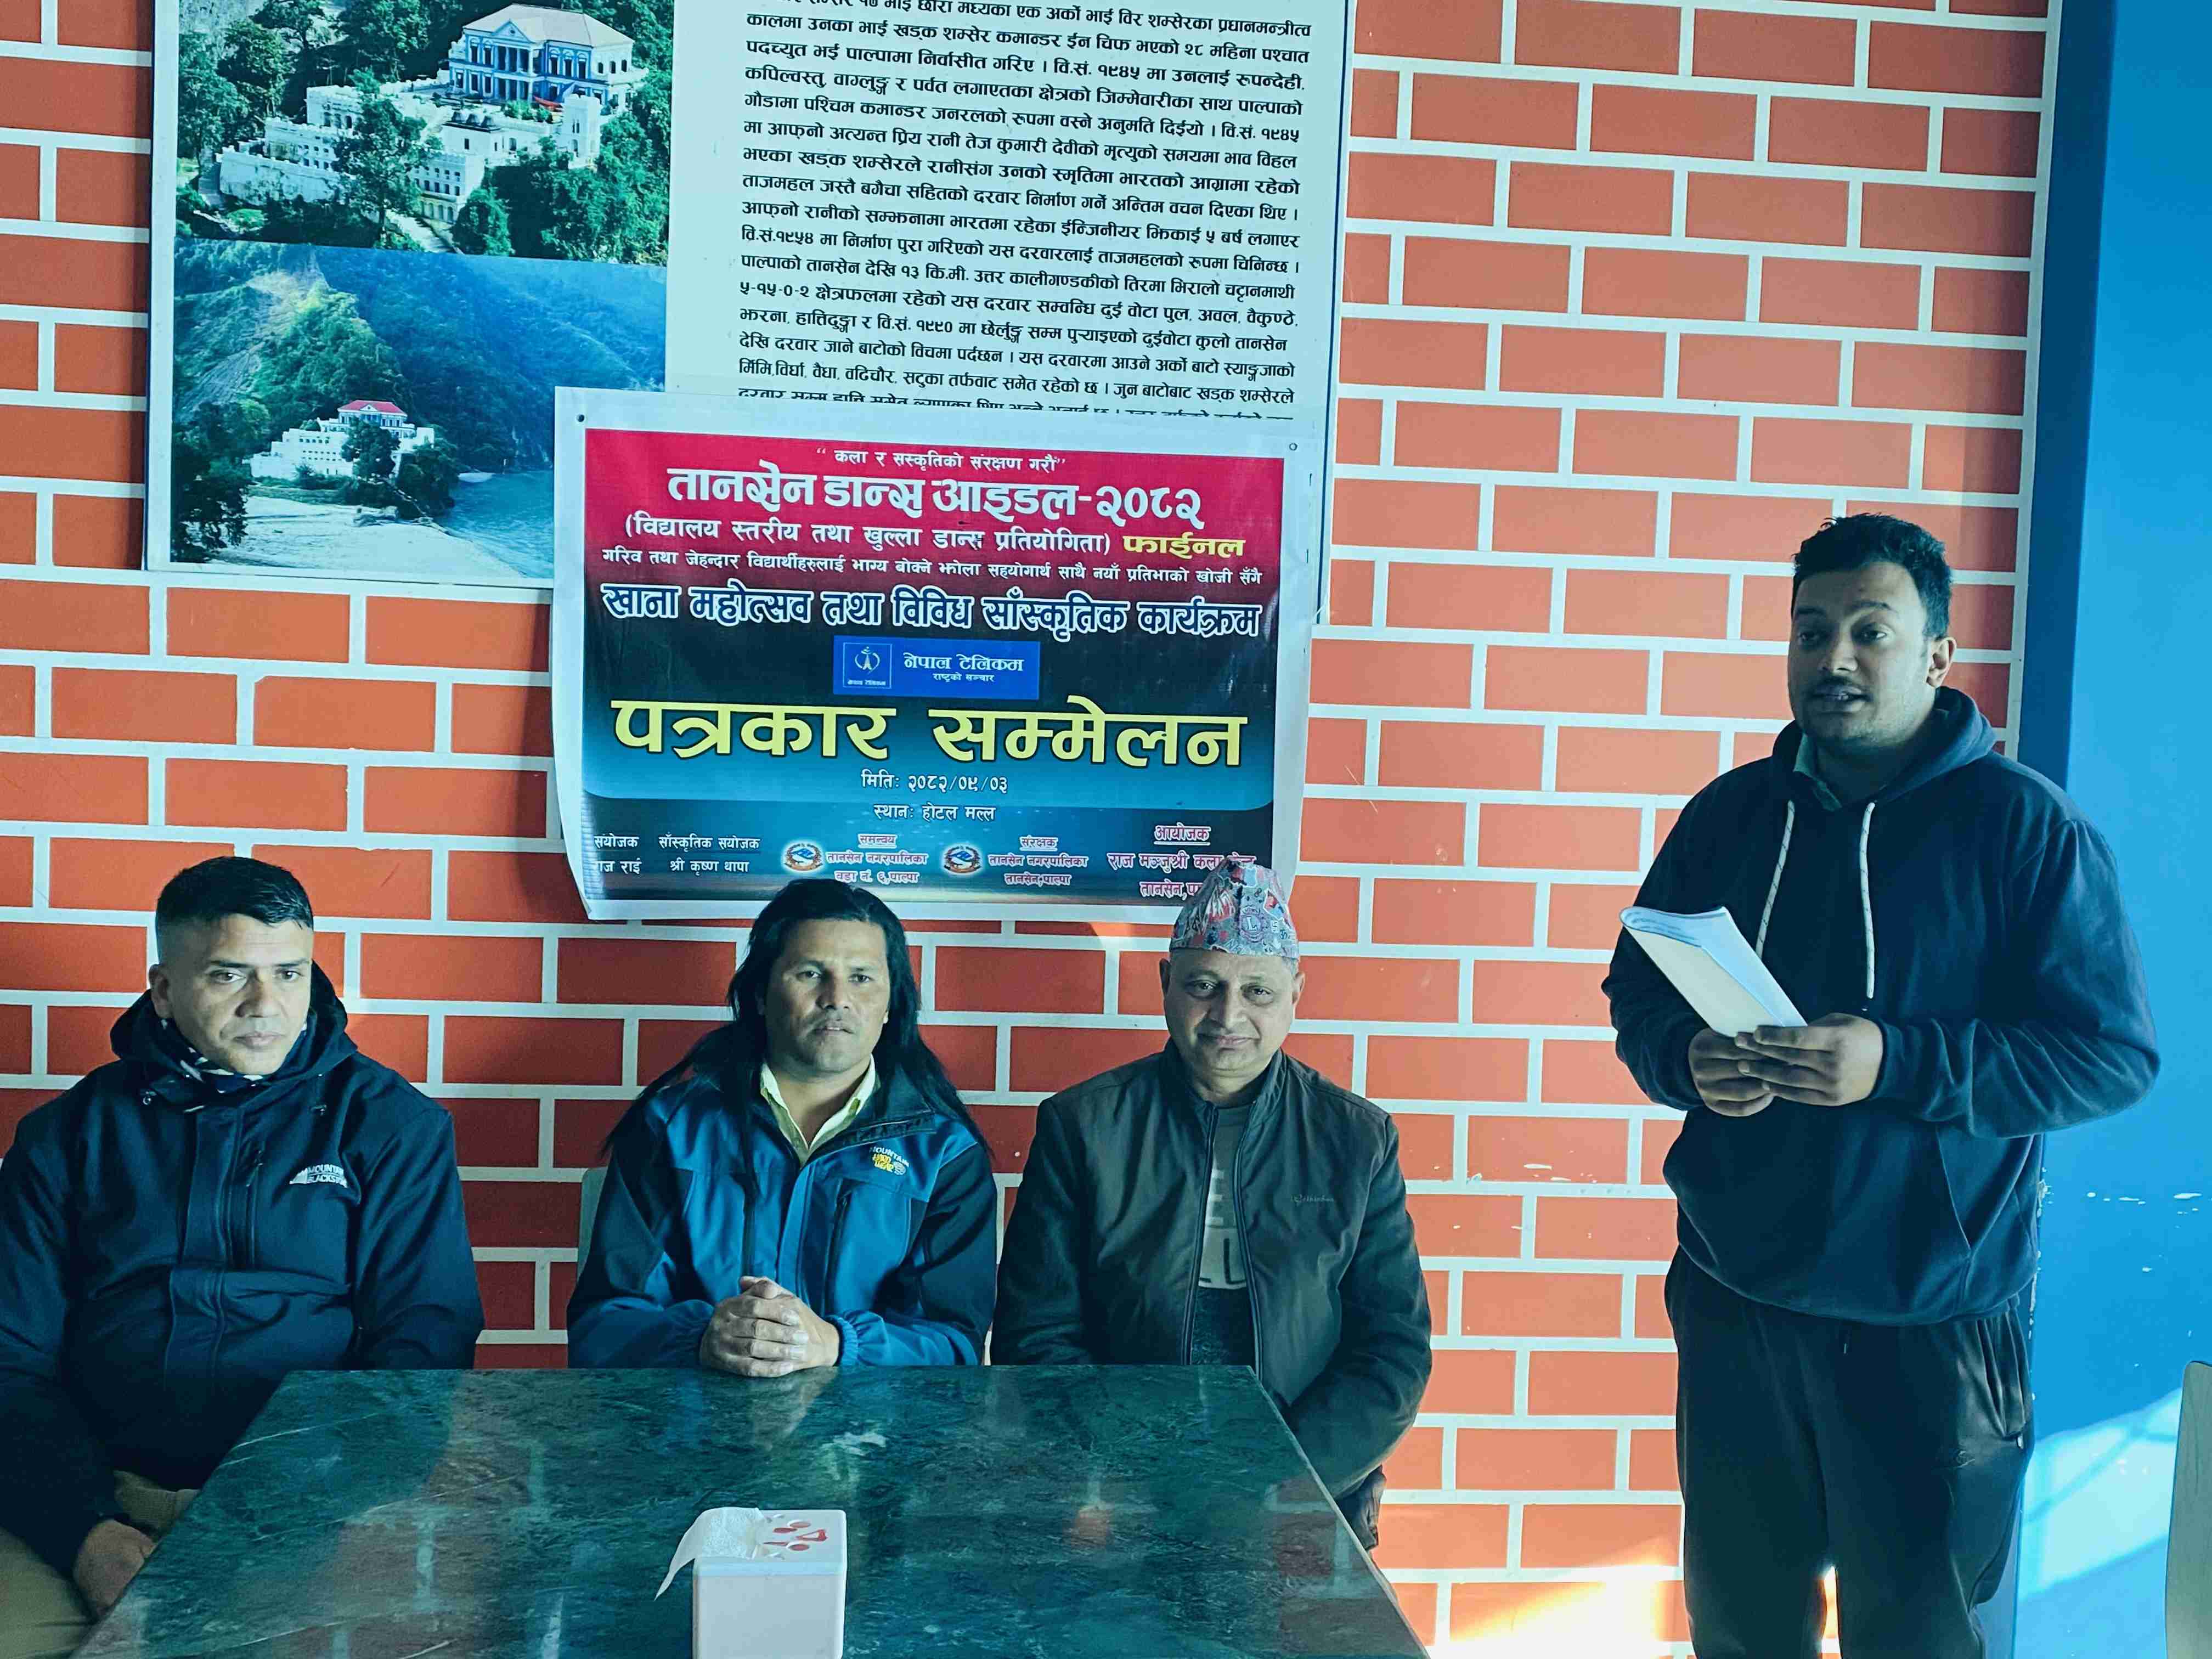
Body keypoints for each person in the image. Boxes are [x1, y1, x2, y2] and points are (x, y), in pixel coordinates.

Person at [1604, 514, 2158, 1658]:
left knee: (1917, 1640)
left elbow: (2109, 1056)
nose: (1835, 658)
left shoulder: (2025, 830)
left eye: (1870, 631)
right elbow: (1638, 991)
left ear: (1939, 655)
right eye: (1811, 632)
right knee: (1739, 1630)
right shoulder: (1731, 815)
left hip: (1929, 1320)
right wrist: (1685, 1059)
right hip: (1737, 1300)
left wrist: (1896, 1061)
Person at [0, 857, 483, 1659]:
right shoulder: (67, 1138)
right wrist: (85, 1533)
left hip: (314, 1508)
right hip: (92, 1498)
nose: (267, 1005)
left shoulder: (391, 1126)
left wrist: (281, 1512)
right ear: (164, 989)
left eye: (290, 973)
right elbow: (10, 1362)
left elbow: (422, 1353)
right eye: (228, 975)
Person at [992, 858, 1432, 1549]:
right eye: (1204, 986)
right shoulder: (1084, 1126)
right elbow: (1036, 1334)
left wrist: (1283, 1477)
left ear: (1295, 995)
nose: (1229, 1016)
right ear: (1166, 983)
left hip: (1306, 1486)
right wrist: (1135, 1467)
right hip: (1119, 1491)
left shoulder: (1355, 1138)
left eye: (1258, 990)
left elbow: (1393, 1350)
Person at [568, 878, 995, 1372]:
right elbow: (601, 1329)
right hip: (696, 1418)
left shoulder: (943, 1155)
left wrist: (837, 1345)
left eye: (862, 978)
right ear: (760, 994)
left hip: (873, 1423)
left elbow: (955, 1345)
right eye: (811, 973)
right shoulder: (671, 1129)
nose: (836, 998)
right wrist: (700, 1340)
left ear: (890, 1007)